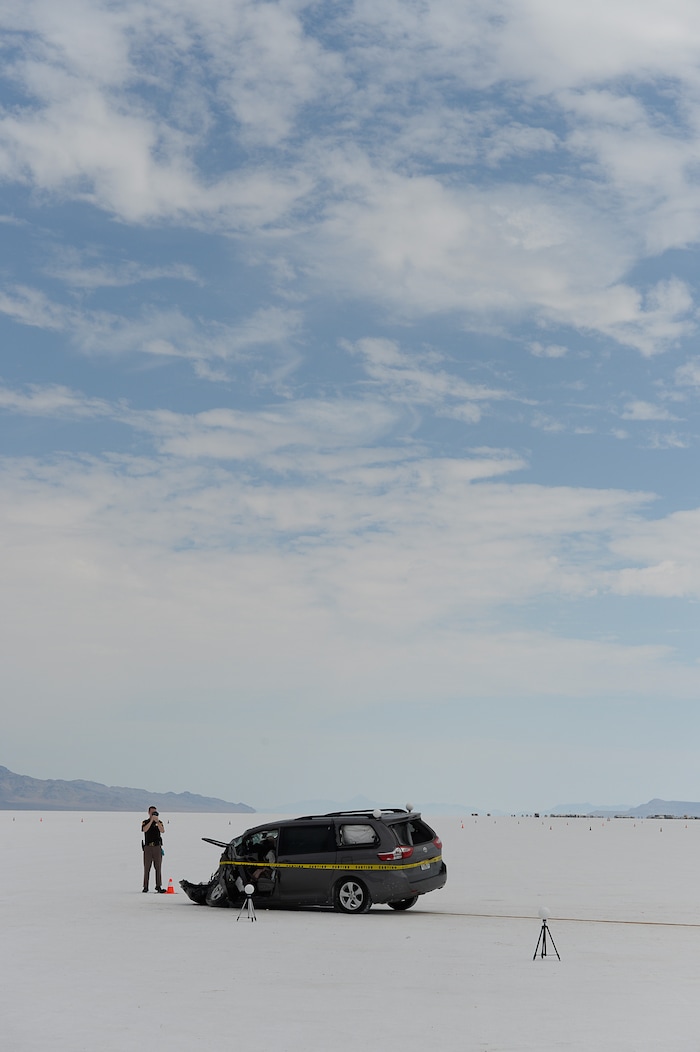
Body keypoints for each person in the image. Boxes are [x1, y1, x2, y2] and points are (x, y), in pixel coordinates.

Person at [142, 806, 165, 893]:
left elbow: (162, 831)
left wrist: (157, 821)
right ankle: (145, 886)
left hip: (157, 847)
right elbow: (144, 829)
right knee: (147, 867)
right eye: (152, 813)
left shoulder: (159, 822)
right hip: (148, 847)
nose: (154, 814)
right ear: (149, 813)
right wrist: (151, 820)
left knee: (158, 867)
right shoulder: (145, 822)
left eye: (155, 813)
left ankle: (158, 886)